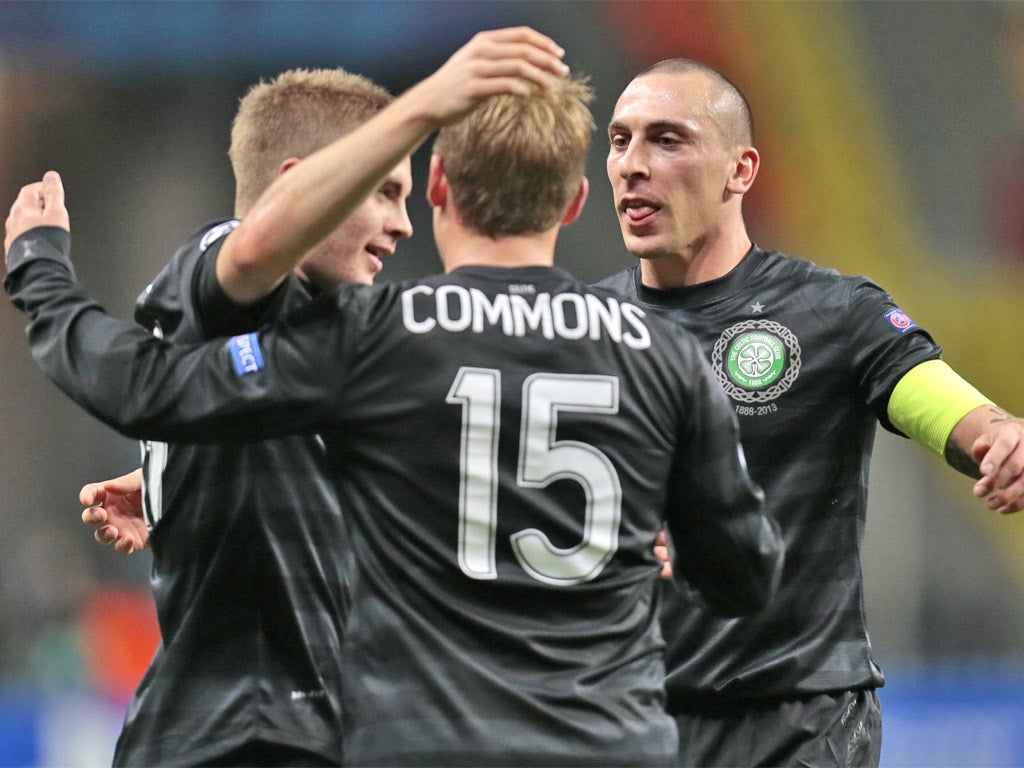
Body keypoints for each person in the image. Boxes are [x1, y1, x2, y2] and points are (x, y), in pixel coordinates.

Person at [4, 57, 785, 766]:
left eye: (408, 191)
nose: (403, 223)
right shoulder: (660, 346)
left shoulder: (385, 336)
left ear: (442, 185)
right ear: (579, 200)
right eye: (382, 189)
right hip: (283, 735)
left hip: (376, 735)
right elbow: (743, 574)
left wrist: (213, 466)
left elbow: (163, 388)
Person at [15, 28, 569, 767]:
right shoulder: (229, 276)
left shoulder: (323, 335)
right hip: (243, 737)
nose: (405, 224)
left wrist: (183, 483)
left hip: (308, 732)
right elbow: (247, 256)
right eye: (385, 191)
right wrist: (430, 103)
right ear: (304, 184)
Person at [595, 57, 1024, 767]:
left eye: (667, 140)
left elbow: (952, 408)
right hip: (626, 722)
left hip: (795, 726)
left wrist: (1003, 437)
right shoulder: (577, 328)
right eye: (619, 140)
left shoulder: (830, 313)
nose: (633, 165)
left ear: (741, 170)